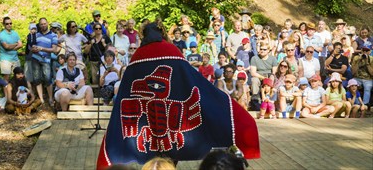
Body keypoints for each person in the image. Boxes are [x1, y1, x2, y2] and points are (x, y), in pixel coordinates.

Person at [97, 20, 260, 168]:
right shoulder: (171, 50)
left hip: (148, 122)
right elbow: (191, 80)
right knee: (170, 155)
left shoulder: (138, 56)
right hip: (171, 123)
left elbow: (127, 90)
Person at [31, 18, 58, 106]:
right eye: (41, 24)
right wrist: (33, 49)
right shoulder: (36, 35)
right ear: (39, 25)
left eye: (44, 23)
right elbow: (31, 47)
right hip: (35, 58)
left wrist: (42, 49)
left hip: (46, 59)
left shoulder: (53, 35)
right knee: (37, 79)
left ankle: (50, 98)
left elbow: (54, 49)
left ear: (47, 23)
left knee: (47, 78)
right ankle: (41, 99)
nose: (43, 25)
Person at [250, 42, 277, 110]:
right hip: (259, 75)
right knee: (254, 80)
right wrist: (263, 78)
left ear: (268, 50)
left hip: (269, 75)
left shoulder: (273, 59)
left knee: (272, 79)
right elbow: (253, 73)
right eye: (261, 49)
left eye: (264, 49)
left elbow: (274, 72)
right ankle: (256, 100)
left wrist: (269, 79)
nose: (262, 51)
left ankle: (270, 99)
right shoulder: (254, 58)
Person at [0, 17, 22, 82]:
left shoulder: (15, 33)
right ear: (4, 25)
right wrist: (16, 44)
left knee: (18, 77)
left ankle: (16, 91)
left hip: (15, 58)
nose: (9, 25)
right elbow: (6, 47)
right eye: (7, 24)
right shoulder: (1, 34)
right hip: (5, 59)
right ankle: (6, 92)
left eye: (10, 23)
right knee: (6, 78)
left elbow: (20, 45)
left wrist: (11, 47)